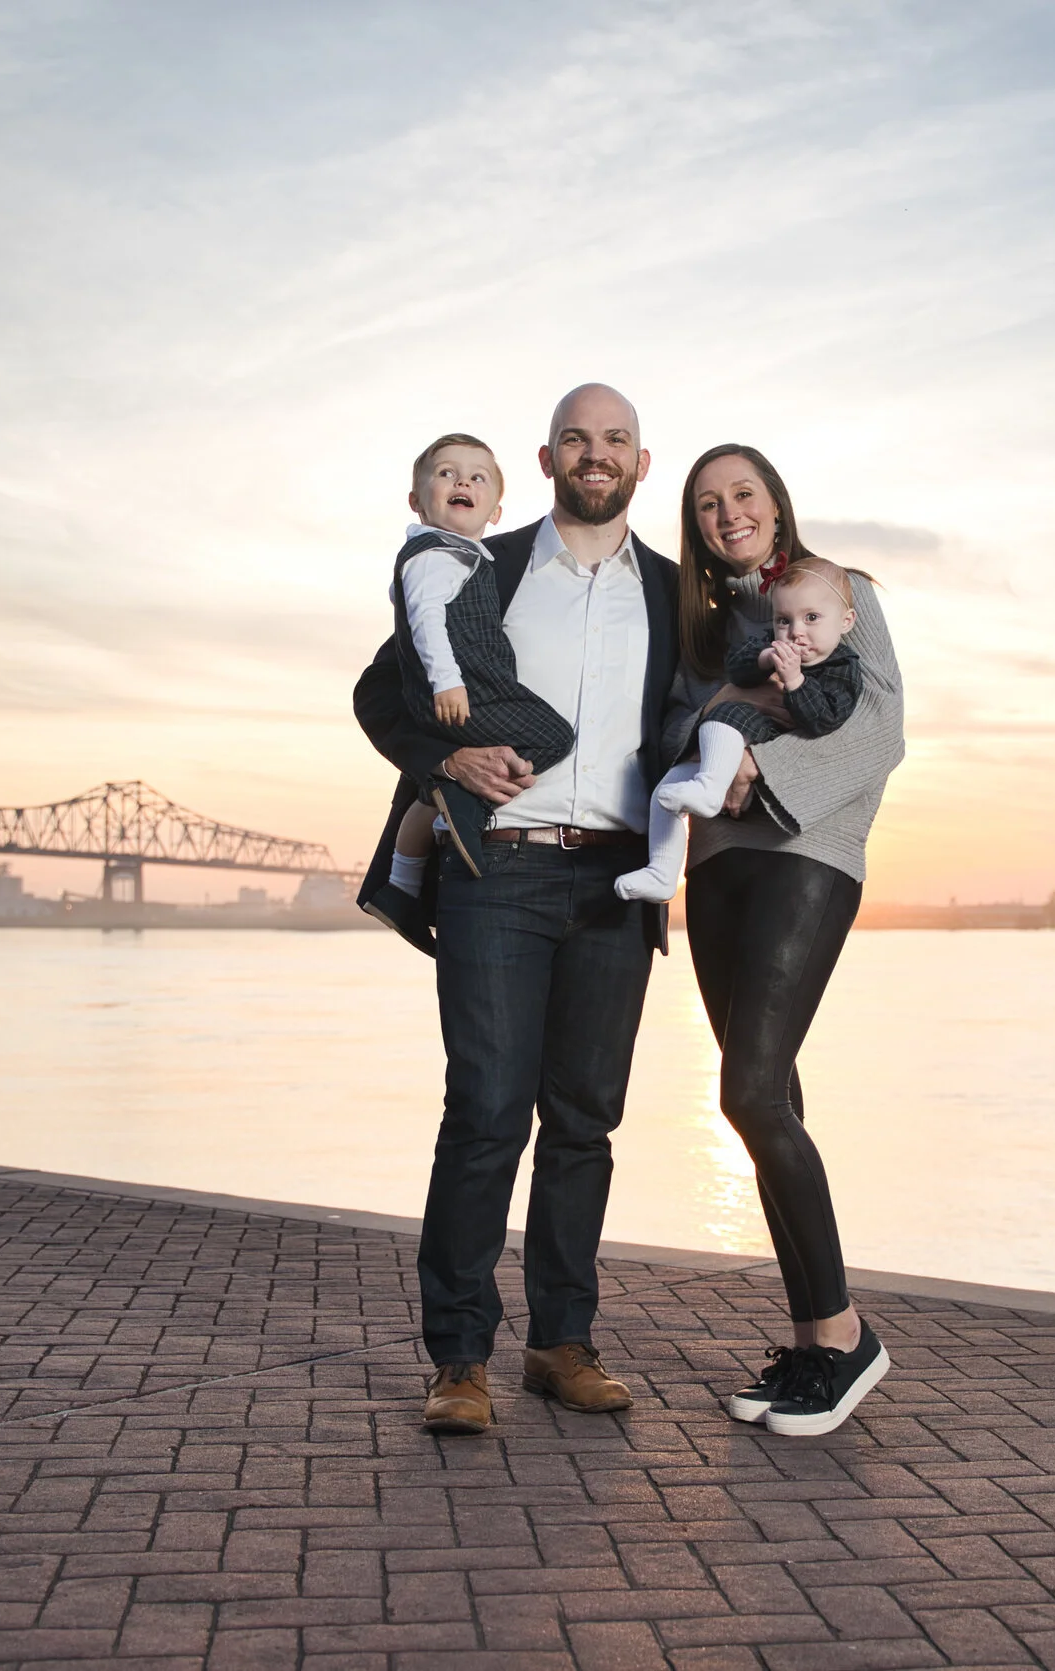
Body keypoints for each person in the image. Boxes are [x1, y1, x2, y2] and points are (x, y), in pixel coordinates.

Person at [351, 384, 683, 1435]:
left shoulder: (680, 597)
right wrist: (444, 754)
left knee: (583, 1125)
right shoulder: (476, 565)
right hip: (497, 870)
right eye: (578, 439)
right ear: (545, 460)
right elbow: (375, 695)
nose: (598, 454)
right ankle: (458, 1360)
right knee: (485, 1113)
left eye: (616, 440)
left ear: (641, 459)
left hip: (620, 877)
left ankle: (561, 1344)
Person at [661, 444, 905, 1437]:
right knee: (772, 1096)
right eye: (709, 504)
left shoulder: (842, 593)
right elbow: (675, 737)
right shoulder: (696, 628)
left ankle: (846, 1339)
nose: (729, 514)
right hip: (716, 868)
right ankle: (811, 1341)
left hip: (810, 851)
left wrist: (763, 774)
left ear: (775, 502)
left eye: (744, 495)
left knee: (747, 1090)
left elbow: (880, 727)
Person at [360, 434, 577, 955]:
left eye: (477, 477)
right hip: (469, 704)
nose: (462, 482)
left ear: (497, 507)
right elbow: (403, 653)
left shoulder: (461, 557)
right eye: (446, 473)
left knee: (434, 794)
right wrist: (447, 754)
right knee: (555, 736)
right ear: (417, 500)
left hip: (603, 873)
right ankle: (459, 807)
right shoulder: (440, 557)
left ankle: (403, 885)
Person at [616, 557, 864, 902]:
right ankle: (661, 871)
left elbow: (823, 720)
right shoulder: (771, 643)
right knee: (666, 790)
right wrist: (764, 660)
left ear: (846, 621)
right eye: (783, 620)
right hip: (721, 750)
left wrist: (794, 680)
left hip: (764, 743)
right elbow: (738, 666)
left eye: (811, 618)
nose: (796, 631)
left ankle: (708, 788)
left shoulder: (843, 668)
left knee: (726, 712)